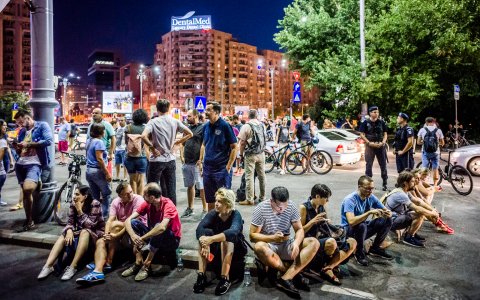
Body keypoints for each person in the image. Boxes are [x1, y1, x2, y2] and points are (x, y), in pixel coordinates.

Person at [250, 186, 319, 298]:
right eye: (278, 207)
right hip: (269, 245)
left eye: (284, 205)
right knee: (258, 247)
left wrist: (296, 243)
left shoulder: (290, 206)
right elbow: (252, 236)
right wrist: (272, 238)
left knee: (314, 242)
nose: (282, 209)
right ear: (271, 201)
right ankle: (290, 272)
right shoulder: (261, 208)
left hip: (286, 243)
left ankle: (286, 278)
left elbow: (300, 229)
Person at [76, 182, 147, 284]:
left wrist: (115, 236)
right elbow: (109, 220)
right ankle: (98, 272)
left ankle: (109, 261)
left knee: (116, 224)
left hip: (135, 234)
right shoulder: (116, 202)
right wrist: (106, 235)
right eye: (126, 194)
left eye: (131, 192)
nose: (130, 195)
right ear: (120, 196)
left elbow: (131, 223)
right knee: (101, 241)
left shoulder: (138, 199)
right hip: (121, 235)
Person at [37, 185, 104, 281]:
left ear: (85, 196)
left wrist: (80, 211)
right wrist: (69, 230)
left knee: (85, 231)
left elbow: (91, 225)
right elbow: (70, 222)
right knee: (63, 235)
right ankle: (48, 266)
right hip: (81, 232)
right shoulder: (74, 204)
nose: (74, 197)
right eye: (74, 194)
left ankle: (73, 267)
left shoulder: (95, 204)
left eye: (77, 194)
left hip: (95, 234)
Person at [122, 183, 181, 281]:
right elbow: (128, 220)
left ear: (152, 197)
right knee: (134, 223)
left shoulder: (168, 205)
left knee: (159, 227)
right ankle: (138, 261)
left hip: (171, 240)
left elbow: (162, 227)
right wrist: (133, 237)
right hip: (154, 237)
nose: (143, 196)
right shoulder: (148, 203)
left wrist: (142, 238)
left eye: (145, 195)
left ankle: (146, 265)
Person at [300, 184, 356, 285]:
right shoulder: (304, 207)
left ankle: (329, 267)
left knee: (352, 242)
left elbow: (327, 225)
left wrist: (327, 222)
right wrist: (312, 222)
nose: (328, 201)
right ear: (317, 197)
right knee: (331, 242)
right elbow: (299, 232)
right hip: (311, 241)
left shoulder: (321, 206)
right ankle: (326, 267)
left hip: (324, 237)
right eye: (326, 198)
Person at [194, 188, 246, 295]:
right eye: (216, 200)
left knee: (226, 239)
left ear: (227, 204)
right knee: (203, 235)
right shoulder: (214, 213)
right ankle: (201, 275)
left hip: (235, 249)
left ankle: (225, 278)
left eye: (220, 202)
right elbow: (199, 228)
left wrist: (211, 239)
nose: (216, 204)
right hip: (218, 250)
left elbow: (233, 232)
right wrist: (204, 242)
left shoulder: (236, 215)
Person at [141, 99, 193, 205]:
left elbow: (143, 136)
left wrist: (152, 148)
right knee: (171, 189)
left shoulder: (153, 121)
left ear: (157, 108)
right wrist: (179, 141)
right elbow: (190, 133)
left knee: (152, 188)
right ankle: (171, 214)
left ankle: (153, 213)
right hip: (170, 159)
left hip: (156, 160)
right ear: (169, 108)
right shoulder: (175, 121)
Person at [13, 109, 53, 231]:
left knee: (28, 188)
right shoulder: (22, 131)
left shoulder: (42, 125)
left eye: (21, 122)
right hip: (20, 164)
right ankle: (29, 220)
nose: (20, 125)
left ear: (27, 118)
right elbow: (20, 149)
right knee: (26, 193)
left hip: (34, 163)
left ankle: (37, 179)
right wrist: (17, 147)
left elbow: (48, 141)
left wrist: (29, 144)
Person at [340, 175, 393, 266]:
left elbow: (387, 211)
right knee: (361, 225)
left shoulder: (370, 197)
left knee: (387, 220)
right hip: (348, 231)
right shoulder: (350, 199)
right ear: (359, 187)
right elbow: (351, 222)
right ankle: (359, 253)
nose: (370, 191)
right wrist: (369, 213)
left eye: (372, 188)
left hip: (361, 230)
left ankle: (375, 248)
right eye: (367, 189)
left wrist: (387, 213)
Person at [384, 171, 443, 247]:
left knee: (420, 212)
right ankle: (409, 238)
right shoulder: (400, 194)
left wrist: (432, 210)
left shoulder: (405, 191)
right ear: (405, 183)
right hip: (390, 221)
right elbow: (417, 209)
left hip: (398, 216)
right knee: (420, 214)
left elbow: (419, 202)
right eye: (412, 181)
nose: (415, 183)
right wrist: (432, 214)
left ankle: (412, 233)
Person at [200, 101, 237, 211]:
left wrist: (229, 167)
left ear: (216, 112)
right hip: (208, 169)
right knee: (210, 199)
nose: (205, 112)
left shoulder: (225, 126)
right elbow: (203, 144)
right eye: (206, 110)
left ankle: (225, 223)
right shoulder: (206, 126)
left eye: (208, 110)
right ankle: (212, 220)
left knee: (224, 199)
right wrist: (201, 161)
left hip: (221, 169)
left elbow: (235, 146)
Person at [179, 109, 207, 218]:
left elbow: (204, 144)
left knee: (201, 187)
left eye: (189, 116)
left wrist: (201, 159)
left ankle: (205, 209)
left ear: (196, 116)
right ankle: (190, 208)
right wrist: (181, 156)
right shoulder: (187, 128)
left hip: (197, 163)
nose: (187, 118)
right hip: (187, 162)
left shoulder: (203, 127)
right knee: (189, 186)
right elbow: (182, 144)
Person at [238, 109, 266, 206]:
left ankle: (250, 199)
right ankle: (262, 197)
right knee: (262, 176)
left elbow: (242, 142)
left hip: (250, 155)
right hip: (261, 154)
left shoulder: (246, 126)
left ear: (248, 116)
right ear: (257, 115)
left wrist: (241, 155)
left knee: (249, 177)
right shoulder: (262, 125)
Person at [85, 123, 112, 219]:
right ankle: (104, 217)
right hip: (97, 171)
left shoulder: (89, 141)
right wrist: (107, 172)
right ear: (101, 132)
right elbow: (99, 159)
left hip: (88, 171)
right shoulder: (99, 142)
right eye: (104, 130)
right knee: (106, 194)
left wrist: (106, 156)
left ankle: (95, 216)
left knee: (95, 196)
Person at [359, 106, 389, 191]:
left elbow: (385, 134)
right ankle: (368, 184)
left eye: (377, 112)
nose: (376, 113)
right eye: (374, 112)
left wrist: (383, 142)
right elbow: (361, 134)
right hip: (370, 147)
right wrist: (369, 143)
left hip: (380, 146)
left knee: (383, 165)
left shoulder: (382, 122)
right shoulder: (365, 122)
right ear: (370, 113)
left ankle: (384, 183)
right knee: (369, 165)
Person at [124, 109, 149, 195]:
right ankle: (140, 201)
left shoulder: (128, 127)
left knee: (132, 180)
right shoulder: (146, 128)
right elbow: (147, 142)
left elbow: (126, 142)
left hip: (130, 157)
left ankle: (133, 199)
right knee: (141, 180)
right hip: (141, 157)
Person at [417, 117, 445, 190]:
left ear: (426, 122)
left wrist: (424, 142)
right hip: (435, 152)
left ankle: (423, 184)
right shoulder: (438, 130)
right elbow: (443, 143)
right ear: (434, 122)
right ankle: (435, 185)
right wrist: (437, 144)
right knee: (435, 169)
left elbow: (418, 142)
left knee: (424, 168)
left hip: (425, 152)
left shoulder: (422, 130)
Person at [87, 108, 116, 178]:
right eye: (93, 113)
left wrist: (111, 153)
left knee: (106, 176)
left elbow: (113, 139)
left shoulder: (107, 125)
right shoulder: (91, 125)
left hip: (104, 153)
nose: (94, 114)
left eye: (96, 113)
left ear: (101, 115)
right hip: (92, 155)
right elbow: (88, 139)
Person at [113, 116, 128, 182]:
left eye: (122, 120)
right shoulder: (118, 129)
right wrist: (114, 148)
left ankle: (125, 177)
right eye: (120, 120)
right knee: (117, 164)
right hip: (117, 149)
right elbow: (115, 139)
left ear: (125, 121)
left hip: (124, 148)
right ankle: (117, 176)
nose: (120, 122)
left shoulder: (128, 128)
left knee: (125, 164)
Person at [0, 120, 9, 206]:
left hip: (4, 162)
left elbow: (7, 148)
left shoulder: (4, 138)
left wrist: (11, 160)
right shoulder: (2, 141)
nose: (5, 127)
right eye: (4, 125)